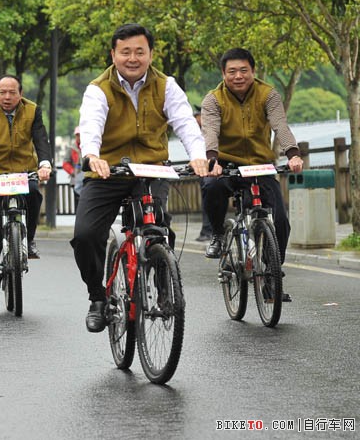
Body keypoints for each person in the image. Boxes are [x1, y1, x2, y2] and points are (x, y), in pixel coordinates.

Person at [72, 24, 208, 333]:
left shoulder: (166, 85)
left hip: (151, 170)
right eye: (125, 52)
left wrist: (198, 154)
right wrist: (93, 155)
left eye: (140, 52)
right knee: (85, 235)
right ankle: (97, 297)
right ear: (113, 54)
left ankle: (164, 287)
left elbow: (185, 123)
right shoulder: (98, 88)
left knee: (159, 228)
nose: (132, 58)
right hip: (108, 170)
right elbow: (91, 124)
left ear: (150, 54)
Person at [200, 47, 303, 301]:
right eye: (232, 71)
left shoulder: (268, 94)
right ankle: (217, 233)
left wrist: (292, 154)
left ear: (253, 71)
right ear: (223, 74)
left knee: (280, 221)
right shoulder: (212, 100)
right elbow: (210, 130)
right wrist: (212, 158)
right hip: (226, 165)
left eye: (244, 70)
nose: (238, 76)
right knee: (211, 186)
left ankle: (271, 275)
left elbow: (280, 124)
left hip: (260, 165)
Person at [0, 74, 53, 290]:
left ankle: (29, 239)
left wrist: (44, 164)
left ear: (20, 94)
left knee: (34, 194)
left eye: (12, 92)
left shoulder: (32, 110)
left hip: (24, 173)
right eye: (2, 92)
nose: (7, 97)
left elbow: (40, 139)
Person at [194, 106, 214, 242]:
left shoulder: (211, 130)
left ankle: (211, 230)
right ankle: (207, 230)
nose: (196, 120)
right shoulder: (196, 134)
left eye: (198, 117)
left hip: (215, 167)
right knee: (207, 200)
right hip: (203, 169)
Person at [61, 126, 84, 207]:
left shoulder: (88, 147)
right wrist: (72, 172)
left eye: (80, 134)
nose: (79, 137)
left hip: (88, 179)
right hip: (75, 180)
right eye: (77, 135)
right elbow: (65, 163)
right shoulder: (71, 148)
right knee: (78, 203)